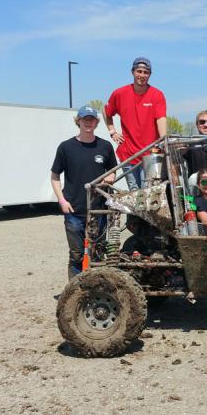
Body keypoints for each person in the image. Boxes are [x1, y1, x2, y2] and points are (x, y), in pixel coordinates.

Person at [51, 105, 117, 280]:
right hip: (74, 210)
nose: (88, 123)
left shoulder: (105, 146)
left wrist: (111, 177)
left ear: (96, 122)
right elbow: (55, 176)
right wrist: (62, 201)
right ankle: (75, 294)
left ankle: (95, 290)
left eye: (91, 119)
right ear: (78, 121)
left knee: (97, 252)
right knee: (77, 255)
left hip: (99, 210)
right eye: (85, 119)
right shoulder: (66, 147)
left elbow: (112, 171)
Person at [104, 57, 167, 190]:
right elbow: (106, 112)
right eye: (139, 71)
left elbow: (161, 119)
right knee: (134, 191)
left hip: (151, 154)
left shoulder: (157, 95)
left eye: (146, 72)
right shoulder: (119, 93)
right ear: (133, 72)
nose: (142, 75)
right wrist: (112, 132)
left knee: (149, 192)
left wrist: (164, 140)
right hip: (128, 153)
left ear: (150, 74)